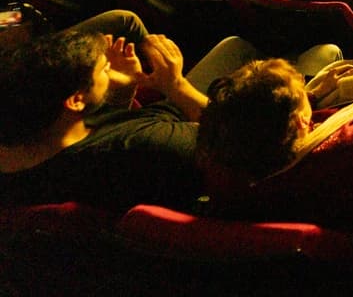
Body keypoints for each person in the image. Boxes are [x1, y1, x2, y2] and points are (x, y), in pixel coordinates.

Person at [197, 57, 353, 231]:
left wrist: (311, 95)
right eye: (302, 89)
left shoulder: (220, 156)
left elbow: (257, 117)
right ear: (301, 121)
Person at [0, 27, 206, 210]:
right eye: (104, 69)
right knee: (234, 46)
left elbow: (103, 132)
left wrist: (123, 89)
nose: (109, 67)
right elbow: (229, 138)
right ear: (76, 99)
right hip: (207, 122)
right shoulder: (146, 144)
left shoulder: (39, 138)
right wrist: (177, 85)